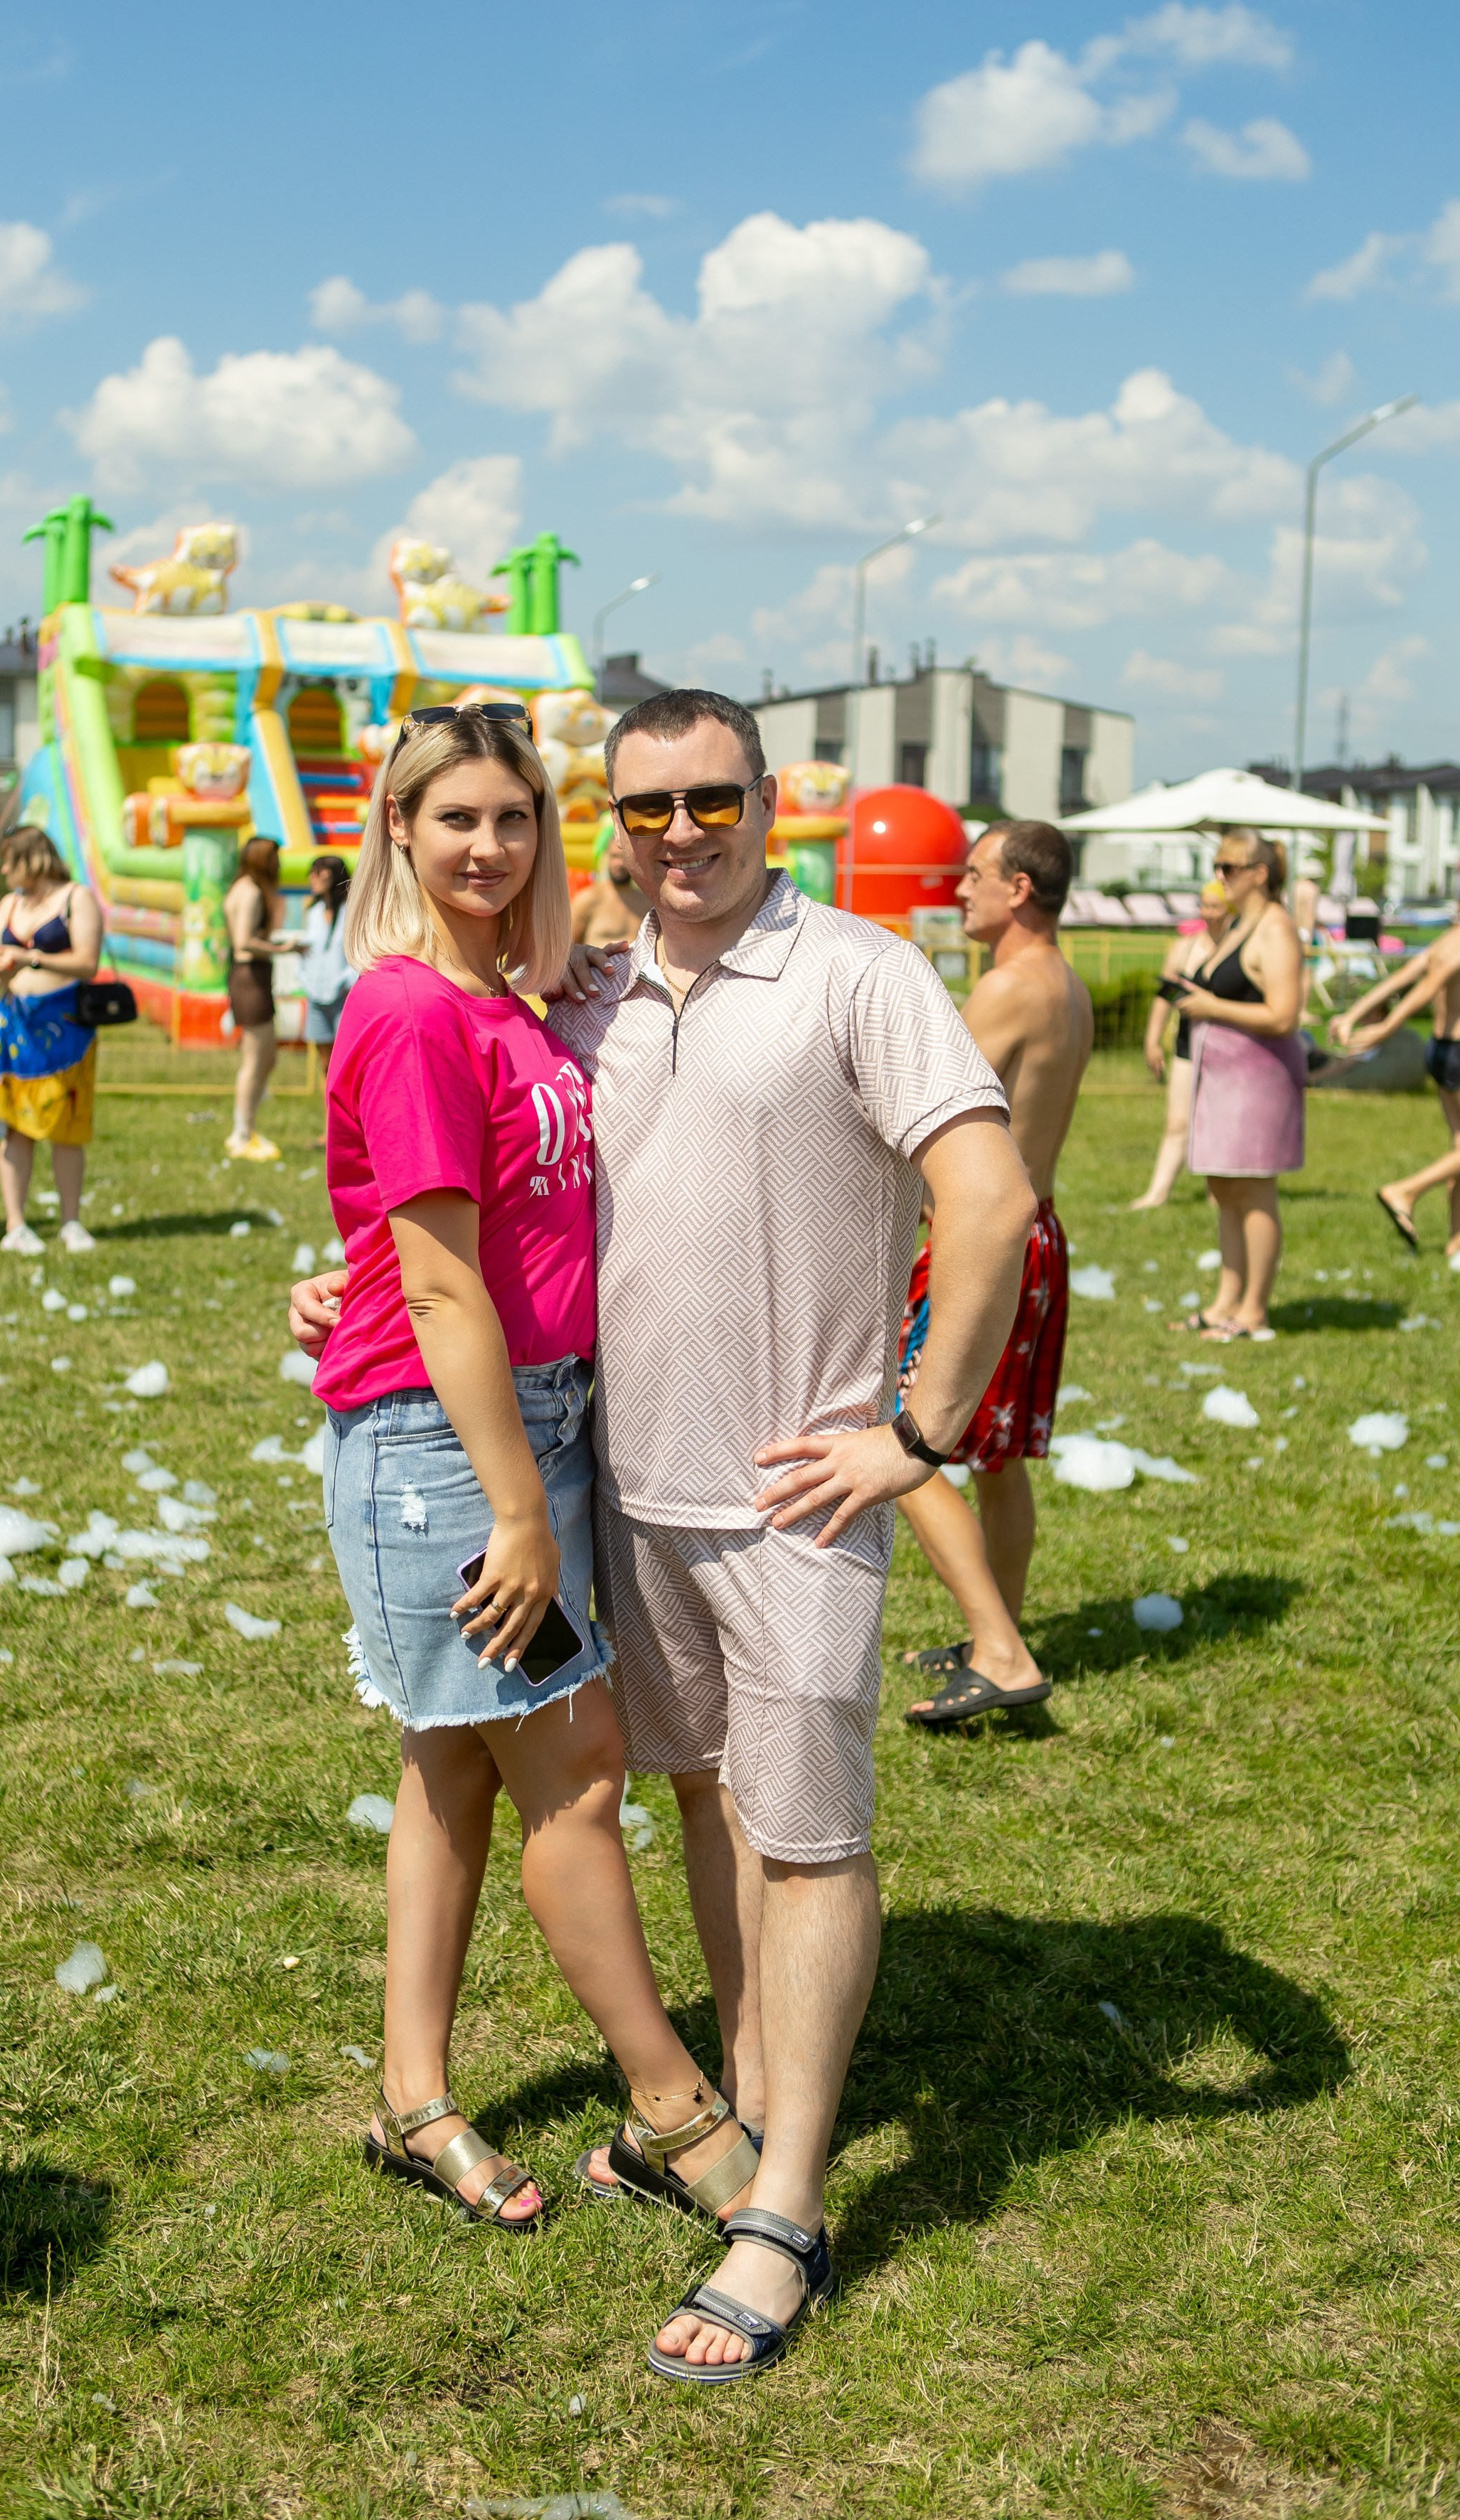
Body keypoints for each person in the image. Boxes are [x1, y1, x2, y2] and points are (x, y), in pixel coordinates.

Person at [544, 691, 1035, 2381]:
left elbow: (990, 1195)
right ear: (614, 821)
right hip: (629, 1486)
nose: (681, 833)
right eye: (648, 808)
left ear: (766, 803)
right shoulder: (593, 987)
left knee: (809, 1837)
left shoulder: (855, 973)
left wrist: (919, 1429)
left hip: (793, 1502)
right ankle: (749, 2098)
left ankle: (789, 2211)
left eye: (711, 800)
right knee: (703, 1791)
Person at [285, 703, 759, 2244]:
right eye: (455, 819)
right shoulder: (412, 1007)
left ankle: (412, 2096)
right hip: (445, 1447)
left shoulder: (515, 994)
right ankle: (675, 2109)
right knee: (575, 1765)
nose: (487, 846)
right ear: (397, 827)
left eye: (513, 817)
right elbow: (435, 1282)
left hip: (522, 1417)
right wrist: (511, 1506)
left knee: (454, 1764)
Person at [896, 822, 1094, 1728]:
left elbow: (920, 1112)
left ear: (1018, 888)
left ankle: (999, 1649)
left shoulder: (1006, 987)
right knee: (999, 1460)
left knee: (903, 1439)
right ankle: (996, 1634)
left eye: (974, 874)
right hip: (1037, 1231)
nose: (958, 889)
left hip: (980, 1243)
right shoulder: (1066, 984)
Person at [1173, 829, 1305, 1339]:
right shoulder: (1240, 925)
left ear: (1259, 873)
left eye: (1229, 867)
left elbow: (1285, 1014)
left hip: (1258, 1081)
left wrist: (1212, 1006)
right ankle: (1226, 1302)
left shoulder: (1276, 929)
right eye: (1217, 865)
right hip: (1224, 1080)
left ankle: (1254, 1311)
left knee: (1253, 1189)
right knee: (1224, 1186)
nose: (1220, 876)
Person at [0, 825, 104, 1258]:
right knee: (16, 1128)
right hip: (16, 1027)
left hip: (66, 1028)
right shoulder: (10, 903)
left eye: (8, 860)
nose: (4, 870)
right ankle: (16, 1224)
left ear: (31, 858)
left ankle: (71, 1222)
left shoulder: (75, 898)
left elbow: (87, 962)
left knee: (67, 1128)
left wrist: (30, 958)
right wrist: (0, 971)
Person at [1328, 908, 1460, 1256]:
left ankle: (1456, 1244)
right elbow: (1427, 987)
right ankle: (1405, 1192)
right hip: (1457, 1052)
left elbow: (1400, 978)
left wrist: (1353, 1014)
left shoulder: (1446, 942)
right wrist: (1385, 1029)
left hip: (1441, 1050)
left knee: (1458, 1150)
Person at [1129, 879, 1231, 1212]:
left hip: (1227, 1045)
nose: (1208, 913)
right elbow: (1165, 997)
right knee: (1177, 1122)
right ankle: (1157, 1194)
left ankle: (1219, 1194)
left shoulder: (1237, 948)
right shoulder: (1184, 949)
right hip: (1188, 1043)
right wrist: (1152, 1040)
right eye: (1204, 906)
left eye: (1215, 907)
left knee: (1220, 1123)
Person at [224, 835, 304, 1162]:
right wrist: (284, 948)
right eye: (276, 859)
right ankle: (242, 1134)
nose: (280, 865)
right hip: (250, 976)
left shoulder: (241, 887)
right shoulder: (252, 891)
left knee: (266, 1057)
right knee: (255, 1061)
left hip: (250, 976)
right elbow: (244, 942)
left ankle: (246, 1128)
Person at [299, 854, 356, 1052]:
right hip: (316, 994)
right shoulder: (313, 911)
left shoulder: (352, 911)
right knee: (324, 1058)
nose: (312, 878)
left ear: (335, 874)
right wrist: (305, 978)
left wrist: (348, 981)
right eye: (311, 873)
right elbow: (309, 951)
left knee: (345, 1055)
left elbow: (360, 952)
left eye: (318, 872)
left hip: (345, 996)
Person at [569, 824, 645, 950]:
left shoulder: (647, 904)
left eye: (624, 858)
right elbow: (566, 948)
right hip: (598, 963)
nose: (618, 863)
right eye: (614, 856)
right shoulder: (589, 898)